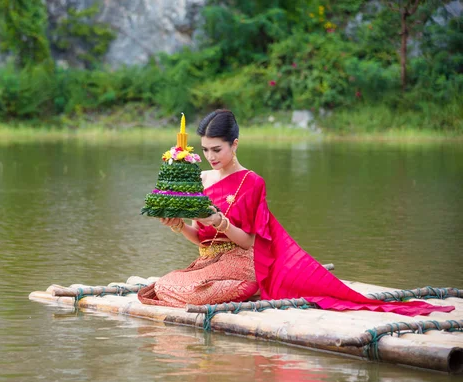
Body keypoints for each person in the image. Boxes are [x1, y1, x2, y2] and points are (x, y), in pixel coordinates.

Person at [138, 109, 454, 317]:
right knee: (162, 285)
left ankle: (249, 289)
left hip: (240, 265)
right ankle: (200, 289)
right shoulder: (200, 179)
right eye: (205, 150)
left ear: (234, 144)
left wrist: (219, 220)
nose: (210, 157)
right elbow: (202, 240)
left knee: (205, 291)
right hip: (207, 263)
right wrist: (179, 226)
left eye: (217, 149)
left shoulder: (252, 181)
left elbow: (248, 242)